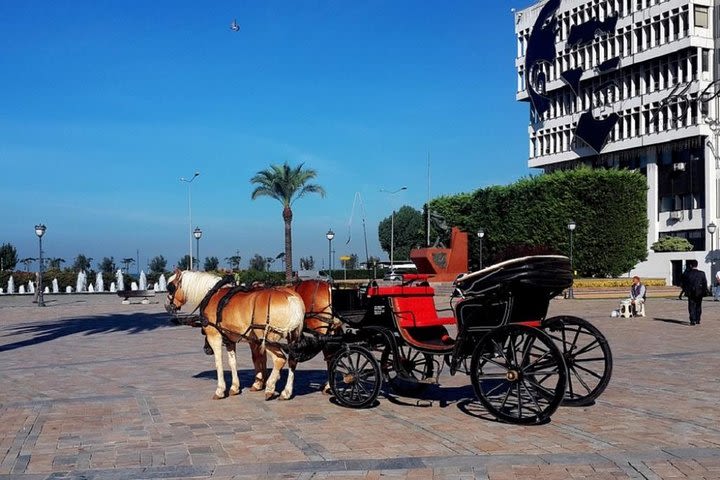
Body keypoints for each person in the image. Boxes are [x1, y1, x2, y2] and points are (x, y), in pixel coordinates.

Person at [680, 260, 708, 325]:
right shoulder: (702, 273)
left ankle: (692, 320)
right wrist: (704, 291)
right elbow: (704, 283)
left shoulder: (687, 274)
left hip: (690, 292)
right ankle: (698, 319)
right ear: (697, 265)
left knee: (691, 306)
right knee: (698, 306)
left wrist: (684, 289)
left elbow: (683, 283)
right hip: (699, 292)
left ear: (690, 265)